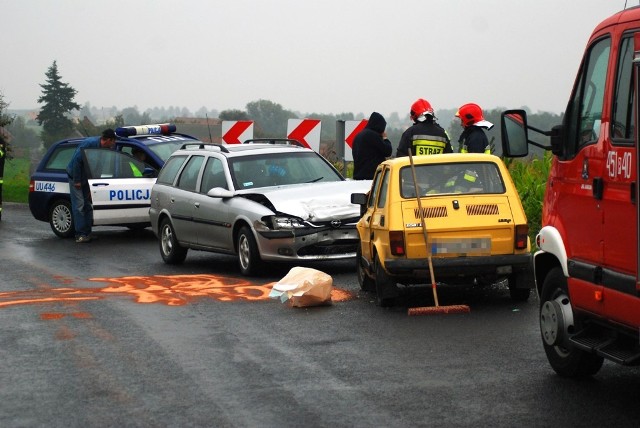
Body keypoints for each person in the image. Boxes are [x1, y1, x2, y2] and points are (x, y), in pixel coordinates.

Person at [66, 129, 117, 243]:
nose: (113, 145)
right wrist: (77, 181)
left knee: (88, 205)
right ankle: (80, 234)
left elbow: (99, 167)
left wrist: (92, 186)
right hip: (76, 177)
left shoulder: (104, 149)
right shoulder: (89, 144)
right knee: (79, 206)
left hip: (87, 180)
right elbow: (77, 161)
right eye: (113, 142)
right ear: (108, 140)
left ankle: (87, 233)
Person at [352, 112, 392, 180]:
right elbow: (387, 151)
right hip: (372, 177)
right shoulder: (373, 135)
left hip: (358, 176)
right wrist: (385, 138)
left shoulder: (358, 136)